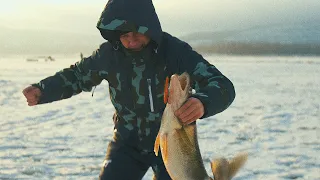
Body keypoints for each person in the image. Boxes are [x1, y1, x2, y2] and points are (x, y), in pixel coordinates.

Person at [22, 0, 236, 179]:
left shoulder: (174, 51)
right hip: (127, 141)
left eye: (137, 33)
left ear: (150, 28)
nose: (131, 40)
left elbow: (223, 85)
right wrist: (43, 90)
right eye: (124, 35)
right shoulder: (109, 55)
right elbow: (77, 76)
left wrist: (202, 103)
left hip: (172, 145)